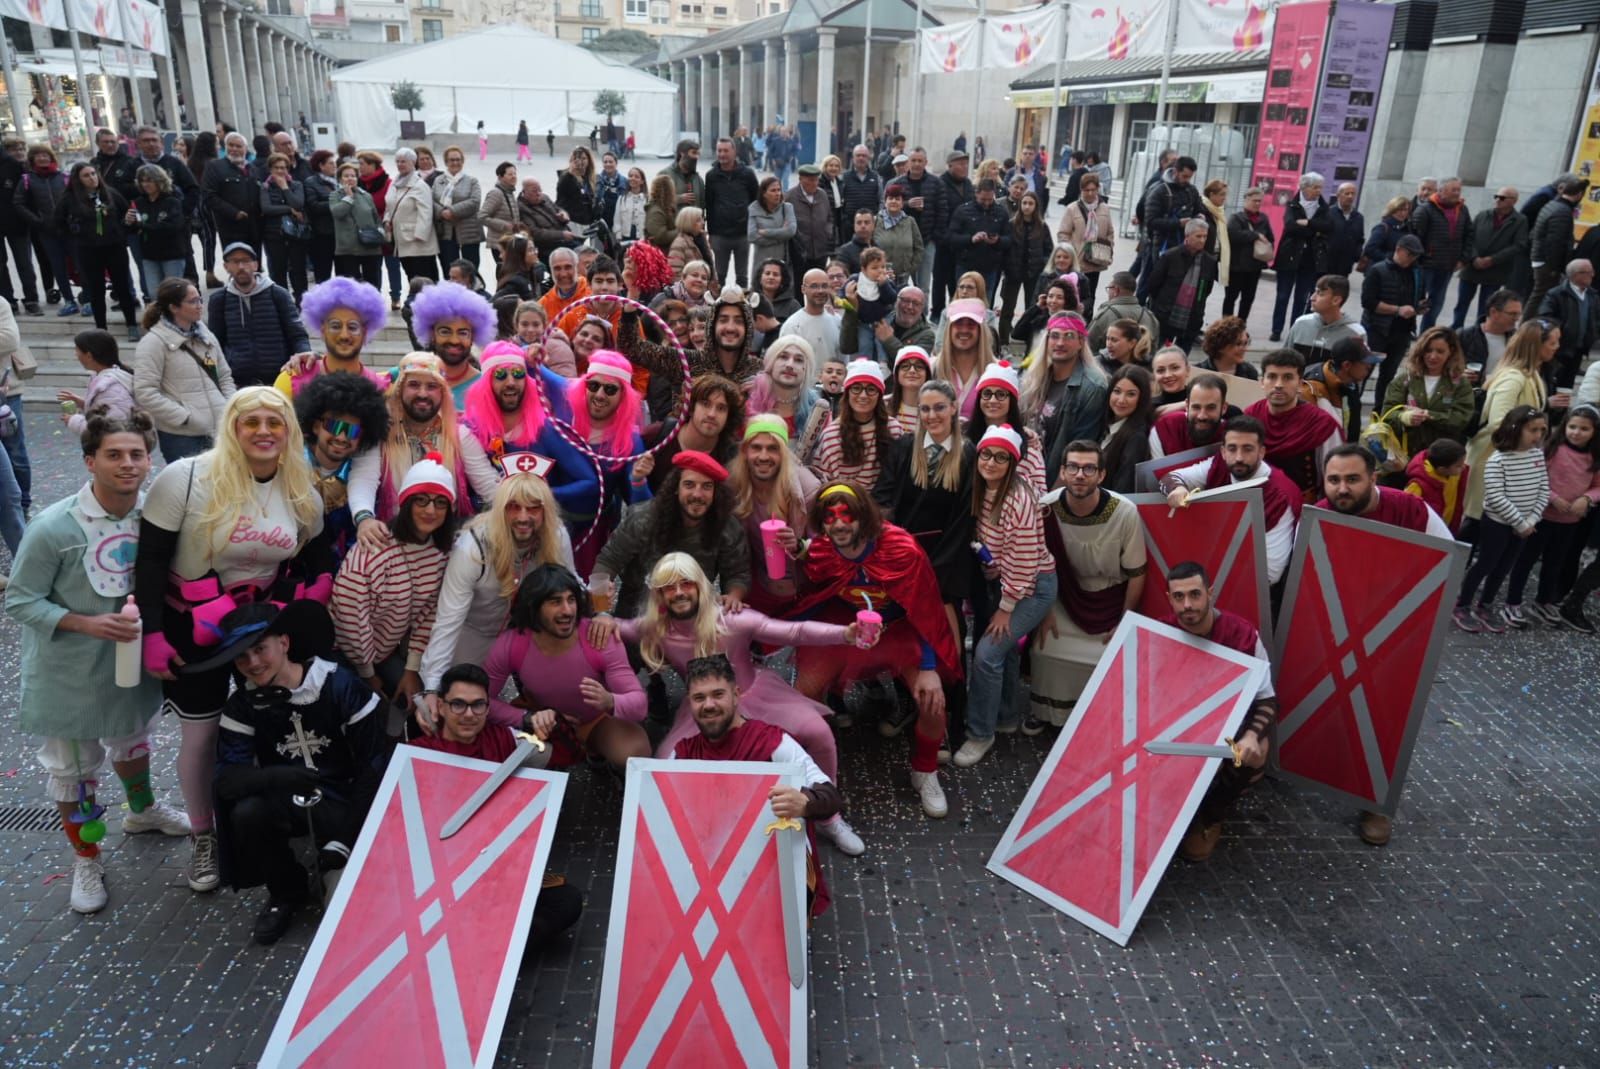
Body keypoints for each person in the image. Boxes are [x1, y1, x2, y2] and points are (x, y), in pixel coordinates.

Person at [134, 388, 331, 896]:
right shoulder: (186, 477)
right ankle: (204, 835)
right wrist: (151, 633)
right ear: (232, 428)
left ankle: (271, 820)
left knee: (268, 723)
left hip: (256, 628)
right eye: (251, 422)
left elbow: (311, 554)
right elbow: (151, 561)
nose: (264, 431)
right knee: (200, 738)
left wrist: (309, 598)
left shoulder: (299, 487)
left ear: (289, 431)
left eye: (275, 421)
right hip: (189, 629)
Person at [6, 412, 192, 914]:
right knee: (75, 768)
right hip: (69, 675)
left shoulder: (152, 519)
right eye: (113, 454)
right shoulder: (51, 527)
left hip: (129, 666)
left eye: (136, 454)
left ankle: (142, 810)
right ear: (89, 461)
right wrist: (87, 624)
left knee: (133, 738)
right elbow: (20, 601)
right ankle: (86, 856)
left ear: (149, 460)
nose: (127, 464)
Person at [592, 554, 859, 849]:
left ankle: (828, 817)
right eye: (669, 587)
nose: (679, 592)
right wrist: (602, 615)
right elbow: (619, 626)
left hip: (755, 695)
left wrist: (845, 634)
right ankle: (684, 830)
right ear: (659, 594)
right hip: (703, 708)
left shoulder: (732, 618)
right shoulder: (656, 627)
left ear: (700, 586)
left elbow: (795, 632)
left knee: (818, 732)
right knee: (665, 759)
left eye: (686, 583)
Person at [209, 600, 385, 944]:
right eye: (242, 657)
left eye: (260, 649)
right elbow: (227, 781)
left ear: (284, 643)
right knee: (247, 813)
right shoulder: (243, 705)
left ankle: (337, 860)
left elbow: (375, 766)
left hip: (346, 798)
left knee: (350, 915)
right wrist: (277, 777)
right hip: (287, 797)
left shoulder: (339, 685)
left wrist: (346, 839)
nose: (253, 663)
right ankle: (287, 890)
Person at [791, 482, 959, 817]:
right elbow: (810, 585)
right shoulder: (823, 551)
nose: (838, 524)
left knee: (932, 700)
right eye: (829, 516)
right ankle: (811, 770)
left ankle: (925, 771)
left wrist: (928, 668)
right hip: (848, 628)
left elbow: (925, 607)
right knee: (803, 697)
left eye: (847, 515)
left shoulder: (901, 549)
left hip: (900, 630)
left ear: (864, 515)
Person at [408, 661, 586, 946]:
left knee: (566, 902)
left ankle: (492, 945)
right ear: (440, 707)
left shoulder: (505, 740)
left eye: (478, 705)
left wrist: (553, 724)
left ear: (488, 709)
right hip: (439, 878)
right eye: (458, 705)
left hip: (497, 870)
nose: (469, 714)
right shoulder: (417, 754)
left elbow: (569, 756)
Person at [672, 652, 846, 911]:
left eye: (718, 694)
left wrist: (806, 801)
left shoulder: (771, 742)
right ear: (690, 703)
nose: (708, 705)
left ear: (736, 694)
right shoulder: (682, 754)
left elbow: (830, 796)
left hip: (773, 861)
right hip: (711, 863)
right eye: (699, 698)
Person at [951, 423, 1058, 766]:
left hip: (1032, 587)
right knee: (1005, 652)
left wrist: (1007, 607)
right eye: (986, 454)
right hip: (1007, 580)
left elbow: (1026, 560)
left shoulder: (1018, 498)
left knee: (986, 654)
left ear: (1012, 463)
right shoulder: (982, 489)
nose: (991, 462)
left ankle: (980, 734)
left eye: (1001, 457)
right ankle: (1007, 715)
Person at [417, 470, 573, 701]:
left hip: (528, 633)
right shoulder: (472, 548)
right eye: (513, 507)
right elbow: (448, 620)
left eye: (533, 508)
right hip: (474, 633)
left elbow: (571, 587)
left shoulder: (556, 535)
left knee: (552, 697)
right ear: (500, 510)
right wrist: (431, 687)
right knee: (466, 703)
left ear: (546, 510)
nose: (523, 517)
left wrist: (600, 613)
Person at [478, 563, 650, 771]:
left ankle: (594, 750)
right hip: (542, 722)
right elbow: (482, 701)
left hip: (594, 721)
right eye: (555, 602)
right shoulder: (511, 644)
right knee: (488, 738)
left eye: (571, 600)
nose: (567, 610)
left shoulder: (599, 637)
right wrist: (526, 718)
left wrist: (610, 700)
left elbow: (639, 705)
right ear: (534, 607)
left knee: (635, 750)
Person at [1162, 562, 1278, 863]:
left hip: (1226, 731)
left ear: (1210, 594)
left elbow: (1267, 699)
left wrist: (1252, 736)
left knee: (1255, 753)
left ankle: (1211, 816)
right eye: (1178, 597)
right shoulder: (1160, 632)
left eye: (1194, 594)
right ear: (1169, 598)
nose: (1187, 605)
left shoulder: (1243, 635)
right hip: (1175, 727)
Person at [330, 454, 454, 730]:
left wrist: (411, 669)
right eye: (421, 499)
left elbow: (427, 616)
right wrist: (369, 676)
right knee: (366, 715)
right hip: (344, 653)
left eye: (440, 502)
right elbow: (351, 619)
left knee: (420, 705)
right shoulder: (375, 545)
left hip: (384, 652)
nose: (430, 510)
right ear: (406, 503)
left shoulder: (440, 554)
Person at [1029, 439, 1147, 728]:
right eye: (1073, 467)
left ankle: (1098, 722)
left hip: (1109, 599)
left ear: (1101, 474)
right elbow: (1035, 565)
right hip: (1062, 598)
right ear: (1063, 471)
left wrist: (1124, 621)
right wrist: (1045, 612)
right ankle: (1048, 715)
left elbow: (1137, 573)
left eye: (1088, 468)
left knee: (1110, 660)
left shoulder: (1125, 512)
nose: (1080, 474)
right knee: (1045, 651)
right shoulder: (1046, 508)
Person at [591, 450, 751, 620]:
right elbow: (608, 561)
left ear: (715, 492)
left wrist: (734, 596)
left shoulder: (726, 526)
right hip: (637, 611)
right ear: (676, 488)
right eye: (689, 485)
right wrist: (601, 612)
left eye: (707, 486)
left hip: (692, 613)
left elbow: (738, 574)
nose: (697, 494)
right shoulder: (643, 519)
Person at [1159, 416, 1303, 586]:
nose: (1239, 457)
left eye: (1247, 449)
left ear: (1261, 452)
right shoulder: (1218, 465)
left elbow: (1270, 574)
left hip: (1250, 589)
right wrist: (1178, 489)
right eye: (1232, 449)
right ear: (1223, 452)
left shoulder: (1280, 496)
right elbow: (1171, 478)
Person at [1457, 406, 1552, 634]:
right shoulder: (1497, 461)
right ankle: (1462, 604)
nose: (1538, 436)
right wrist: (1520, 523)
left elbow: (1544, 489)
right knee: (1486, 564)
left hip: (1525, 526)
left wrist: (1531, 519)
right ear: (1515, 429)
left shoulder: (1537, 455)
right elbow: (1497, 497)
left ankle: (1486, 604)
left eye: (1542, 430)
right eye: (1532, 430)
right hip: (1498, 523)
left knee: (1504, 567)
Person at [1504, 405, 1600, 627]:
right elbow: (1536, 477)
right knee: (1525, 561)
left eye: (1584, 429)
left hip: (1569, 522)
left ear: (1595, 431)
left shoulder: (1594, 457)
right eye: (1572, 426)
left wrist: (1586, 499)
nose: (1576, 432)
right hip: (1541, 517)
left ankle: (1544, 600)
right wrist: (1553, 497)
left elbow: (1597, 487)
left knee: (1554, 563)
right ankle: (1512, 602)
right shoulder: (1551, 449)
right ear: (1564, 426)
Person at [133, 278, 237, 462]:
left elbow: (224, 375)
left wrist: (228, 406)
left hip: (219, 429)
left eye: (200, 300)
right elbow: (145, 392)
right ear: (174, 307)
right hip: (182, 436)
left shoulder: (206, 334)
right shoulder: (153, 342)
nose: (199, 306)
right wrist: (185, 418)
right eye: (192, 301)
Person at [293, 370, 390, 563]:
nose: (342, 438)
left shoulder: (361, 461)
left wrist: (364, 519)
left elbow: (363, 482)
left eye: (352, 431)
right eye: (334, 427)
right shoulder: (291, 455)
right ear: (315, 426)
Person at [1466, 320, 1555, 522]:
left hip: (1512, 464)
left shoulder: (1533, 376)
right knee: (1476, 524)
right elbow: (1498, 423)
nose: (1557, 347)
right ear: (1537, 346)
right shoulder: (1513, 379)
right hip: (1492, 462)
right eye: (1553, 342)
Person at [207, 242, 311, 388]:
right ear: (226, 267)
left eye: (246, 260)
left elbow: (297, 334)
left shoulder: (278, 294)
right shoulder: (219, 299)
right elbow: (214, 343)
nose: (241, 267)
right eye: (235, 262)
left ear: (256, 265)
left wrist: (304, 354)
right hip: (238, 382)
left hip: (279, 377)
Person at [56, 162, 140, 339]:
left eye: (93, 173)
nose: (92, 178)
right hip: (88, 250)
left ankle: (131, 324)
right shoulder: (70, 199)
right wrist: (75, 233)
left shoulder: (110, 193)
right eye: (86, 175)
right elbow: (58, 223)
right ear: (78, 180)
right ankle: (101, 329)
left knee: (122, 287)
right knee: (96, 290)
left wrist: (126, 226)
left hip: (114, 247)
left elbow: (129, 217)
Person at [1021, 312, 1108, 480]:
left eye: (1069, 336)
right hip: (1027, 475)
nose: (1060, 343)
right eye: (1054, 336)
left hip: (1055, 482)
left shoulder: (1092, 388)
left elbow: (1080, 452)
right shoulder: (1034, 378)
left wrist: (1052, 499)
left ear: (1081, 342)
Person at [279, 276, 391, 395]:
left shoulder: (380, 388)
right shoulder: (292, 379)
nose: (344, 335)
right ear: (323, 330)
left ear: (364, 332)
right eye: (335, 326)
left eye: (352, 327)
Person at [1382, 326, 1476, 455]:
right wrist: (1404, 418)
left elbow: (1460, 419)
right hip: (1405, 454)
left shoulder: (1460, 384)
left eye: (1440, 351)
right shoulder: (1404, 379)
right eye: (1428, 350)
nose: (1433, 356)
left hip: (1443, 457)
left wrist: (1428, 415)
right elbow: (1387, 414)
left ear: (1451, 351)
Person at [412, 280, 497, 407]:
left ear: (473, 337)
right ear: (432, 334)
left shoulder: (486, 387)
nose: (454, 340)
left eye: (462, 333)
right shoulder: (410, 377)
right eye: (445, 332)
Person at [1453, 186, 1527, 331]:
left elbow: (1519, 245)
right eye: (1497, 196)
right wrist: (1474, 258)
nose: (1498, 200)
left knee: (1487, 305)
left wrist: (1493, 259)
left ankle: (1479, 331)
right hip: (1472, 267)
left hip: (1496, 270)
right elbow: (1470, 237)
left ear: (1514, 201)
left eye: (1503, 198)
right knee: (1462, 301)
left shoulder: (1520, 220)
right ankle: (1457, 328)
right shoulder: (1483, 215)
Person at [1269, 172, 1333, 341]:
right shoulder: (1293, 204)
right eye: (1315, 187)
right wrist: (1314, 230)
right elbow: (1290, 226)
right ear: (1304, 187)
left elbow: (1328, 226)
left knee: (1302, 298)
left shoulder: (1324, 207)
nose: (1319, 191)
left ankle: (1295, 331)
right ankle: (1276, 330)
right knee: (1282, 296)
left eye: (1320, 187)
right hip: (1288, 257)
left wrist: (1309, 223)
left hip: (1310, 259)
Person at [1409, 177, 1474, 330]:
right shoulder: (1425, 209)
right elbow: (1415, 238)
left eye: (1458, 190)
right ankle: (1406, 330)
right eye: (1453, 190)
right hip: (1425, 265)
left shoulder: (1462, 209)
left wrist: (1463, 258)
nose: (1457, 193)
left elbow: (1469, 234)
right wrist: (1419, 259)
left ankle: (1426, 333)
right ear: (1441, 191)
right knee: (1414, 299)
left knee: (1436, 303)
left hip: (1447, 266)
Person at [1145, 218, 1218, 354]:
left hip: (1192, 319)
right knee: (1156, 355)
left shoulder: (1209, 262)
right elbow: (1153, 284)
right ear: (1187, 236)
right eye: (1198, 236)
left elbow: (1206, 290)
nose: (1202, 240)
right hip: (1165, 316)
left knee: (1181, 357)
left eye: (1205, 236)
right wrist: (1161, 304)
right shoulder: (1170, 256)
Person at [127, 164, 190, 302]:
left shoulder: (172, 201)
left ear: (159, 181)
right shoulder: (139, 203)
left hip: (172, 254)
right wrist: (128, 221)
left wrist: (143, 226)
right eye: (143, 181)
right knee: (154, 294)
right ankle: (160, 321)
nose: (146, 184)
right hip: (149, 254)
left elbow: (173, 227)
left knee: (173, 294)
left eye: (150, 180)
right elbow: (133, 229)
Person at [1527, 174, 1588, 317]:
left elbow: (1535, 234)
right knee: (1539, 297)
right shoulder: (1563, 211)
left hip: (1539, 258)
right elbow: (1555, 244)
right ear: (1579, 194)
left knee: (1538, 295)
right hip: (1547, 264)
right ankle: (1525, 331)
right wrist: (1555, 269)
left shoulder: (1552, 204)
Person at [1300, 335, 1379, 442]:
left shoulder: (1350, 381)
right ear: (1347, 365)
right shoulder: (1311, 391)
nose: (1369, 369)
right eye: (1366, 365)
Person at [1537, 259, 1600, 391]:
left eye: (1592, 271)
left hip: (1578, 349)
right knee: (1552, 382)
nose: (1592, 275)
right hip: (1559, 349)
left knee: (1567, 385)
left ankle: (1563, 409)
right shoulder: (1556, 294)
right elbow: (1546, 317)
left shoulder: (1592, 295)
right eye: (1587, 272)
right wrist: (1562, 332)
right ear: (1575, 275)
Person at [702, 137, 758, 286]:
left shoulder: (747, 174)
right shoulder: (711, 176)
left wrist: (753, 226)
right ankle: (718, 307)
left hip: (742, 234)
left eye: (726, 150)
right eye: (719, 150)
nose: (722, 154)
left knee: (742, 277)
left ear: (734, 152)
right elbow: (708, 204)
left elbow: (755, 200)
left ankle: (742, 307)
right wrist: (710, 233)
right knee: (719, 276)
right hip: (719, 235)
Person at [1057, 170, 1113, 316]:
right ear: (1081, 190)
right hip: (1078, 262)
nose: (1089, 193)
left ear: (1097, 189)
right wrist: (1071, 253)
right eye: (1086, 190)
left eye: (1093, 190)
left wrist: (1109, 248)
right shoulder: (1072, 209)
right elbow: (1063, 234)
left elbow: (1110, 232)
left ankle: (1087, 327)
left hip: (1096, 261)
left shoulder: (1104, 208)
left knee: (1090, 296)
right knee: (1075, 295)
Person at [59, 329, 134, 435]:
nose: (76, 354)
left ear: (89, 356)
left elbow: (110, 430)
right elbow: (107, 408)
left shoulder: (111, 388)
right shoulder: (105, 379)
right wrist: (82, 402)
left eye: (77, 350)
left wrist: (74, 421)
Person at [948, 178, 1010, 298]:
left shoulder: (1001, 212)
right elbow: (951, 237)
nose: (986, 203)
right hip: (966, 265)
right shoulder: (963, 211)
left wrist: (997, 240)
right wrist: (971, 239)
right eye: (983, 200)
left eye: (989, 199)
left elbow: (1009, 239)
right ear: (976, 193)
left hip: (990, 267)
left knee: (985, 303)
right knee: (963, 300)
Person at [383, 148, 439, 282]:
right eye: (397, 161)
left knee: (424, 280)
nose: (400, 164)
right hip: (400, 241)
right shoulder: (394, 183)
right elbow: (389, 205)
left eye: (404, 161)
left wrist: (419, 236)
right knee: (411, 277)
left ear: (413, 163)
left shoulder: (420, 185)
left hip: (418, 244)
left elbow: (426, 213)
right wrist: (386, 221)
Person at [930, 150, 975, 317]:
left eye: (966, 164)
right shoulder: (940, 183)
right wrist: (940, 236)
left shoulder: (969, 185)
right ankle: (937, 312)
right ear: (950, 166)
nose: (964, 167)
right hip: (944, 241)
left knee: (957, 280)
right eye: (960, 164)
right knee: (940, 279)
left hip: (962, 242)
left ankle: (955, 311)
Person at [258, 153, 309, 300]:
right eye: (276, 168)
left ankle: (301, 301)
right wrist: (289, 209)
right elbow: (267, 208)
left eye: (283, 167)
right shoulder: (265, 187)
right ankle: (282, 301)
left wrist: (285, 188)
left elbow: (298, 204)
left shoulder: (296, 185)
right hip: (274, 235)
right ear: (270, 169)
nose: (280, 171)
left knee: (298, 270)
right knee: (278, 271)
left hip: (295, 235)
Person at [328, 160, 384, 287]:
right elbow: (337, 213)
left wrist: (380, 231)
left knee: (373, 282)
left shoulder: (366, 196)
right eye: (346, 176)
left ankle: (373, 306)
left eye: (353, 176)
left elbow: (376, 217)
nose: (350, 178)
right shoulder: (335, 195)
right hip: (348, 249)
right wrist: (349, 197)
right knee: (351, 285)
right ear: (340, 179)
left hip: (370, 246)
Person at [1100, 365, 1154, 493]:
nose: (1121, 400)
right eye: (1117, 391)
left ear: (1141, 398)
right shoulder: (1103, 424)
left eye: (1131, 394)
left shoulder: (1137, 438)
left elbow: (1124, 488)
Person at [1148, 372, 1229, 458]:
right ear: (1187, 405)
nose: (1202, 416)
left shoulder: (1230, 435)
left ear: (1223, 408)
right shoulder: (1164, 428)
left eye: (1211, 408)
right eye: (1196, 407)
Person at [1223, 187, 1273, 321]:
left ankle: (1240, 325)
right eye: (1254, 201)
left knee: (1248, 298)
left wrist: (1263, 239)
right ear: (1246, 200)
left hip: (1255, 266)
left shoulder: (1264, 218)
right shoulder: (1236, 218)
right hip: (1237, 266)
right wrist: (1255, 235)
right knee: (1231, 297)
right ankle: (1226, 325)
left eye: (1259, 201)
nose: (1257, 204)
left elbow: (1270, 237)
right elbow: (1233, 235)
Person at [433, 144, 483, 274]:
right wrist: (442, 212)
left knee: (471, 269)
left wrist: (452, 211)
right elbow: (431, 201)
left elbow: (475, 202)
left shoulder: (472, 181)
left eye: (458, 159)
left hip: (469, 232)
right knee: (449, 269)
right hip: (446, 232)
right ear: (446, 162)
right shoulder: (438, 181)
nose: (455, 162)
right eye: (451, 160)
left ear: (462, 161)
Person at [1404, 437, 1470, 536]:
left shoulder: (1453, 474)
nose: (1464, 467)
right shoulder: (1418, 486)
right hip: (1427, 534)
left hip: (1446, 529)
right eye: (1459, 466)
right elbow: (1406, 513)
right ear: (1442, 469)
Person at [780, 269, 844, 370]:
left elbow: (843, 359)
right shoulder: (792, 325)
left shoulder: (837, 320)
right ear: (803, 289)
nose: (820, 291)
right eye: (814, 286)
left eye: (824, 286)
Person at [785, 163, 836, 279]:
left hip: (820, 250)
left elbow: (829, 217)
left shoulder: (822, 195)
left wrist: (828, 232)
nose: (814, 183)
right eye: (810, 180)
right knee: (800, 284)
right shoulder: (790, 197)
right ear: (800, 179)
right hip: (799, 253)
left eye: (816, 180)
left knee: (818, 282)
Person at [1460, 288, 1523, 382]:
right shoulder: (1465, 336)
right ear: (1493, 312)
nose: (1517, 319)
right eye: (1512, 314)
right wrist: (1459, 375)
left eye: (1518, 314)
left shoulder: (1517, 339)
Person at [1087, 271, 1157, 353]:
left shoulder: (1106, 314)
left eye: (1109, 288)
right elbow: (1153, 349)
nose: (1108, 292)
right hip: (1140, 365)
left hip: (1107, 364)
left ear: (1116, 290)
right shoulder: (1150, 317)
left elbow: (1089, 344)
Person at [1324, 182, 1365, 279]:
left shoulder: (1358, 217)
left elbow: (1360, 239)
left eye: (1353, 193)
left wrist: (1356, 255)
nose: (1350, 196)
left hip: (1345, 266)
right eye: (1347, 193)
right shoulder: (1328, 213)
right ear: (1338, 195)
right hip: (1326, 264)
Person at [555, 146, 598, 226]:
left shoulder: (589, 178)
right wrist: (571, 172)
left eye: (583, 158)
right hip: (571, 222)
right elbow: (561, 189)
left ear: (589, 160)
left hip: (586, 222)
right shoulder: (566, 177)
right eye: (576, 159)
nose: (580, 162)